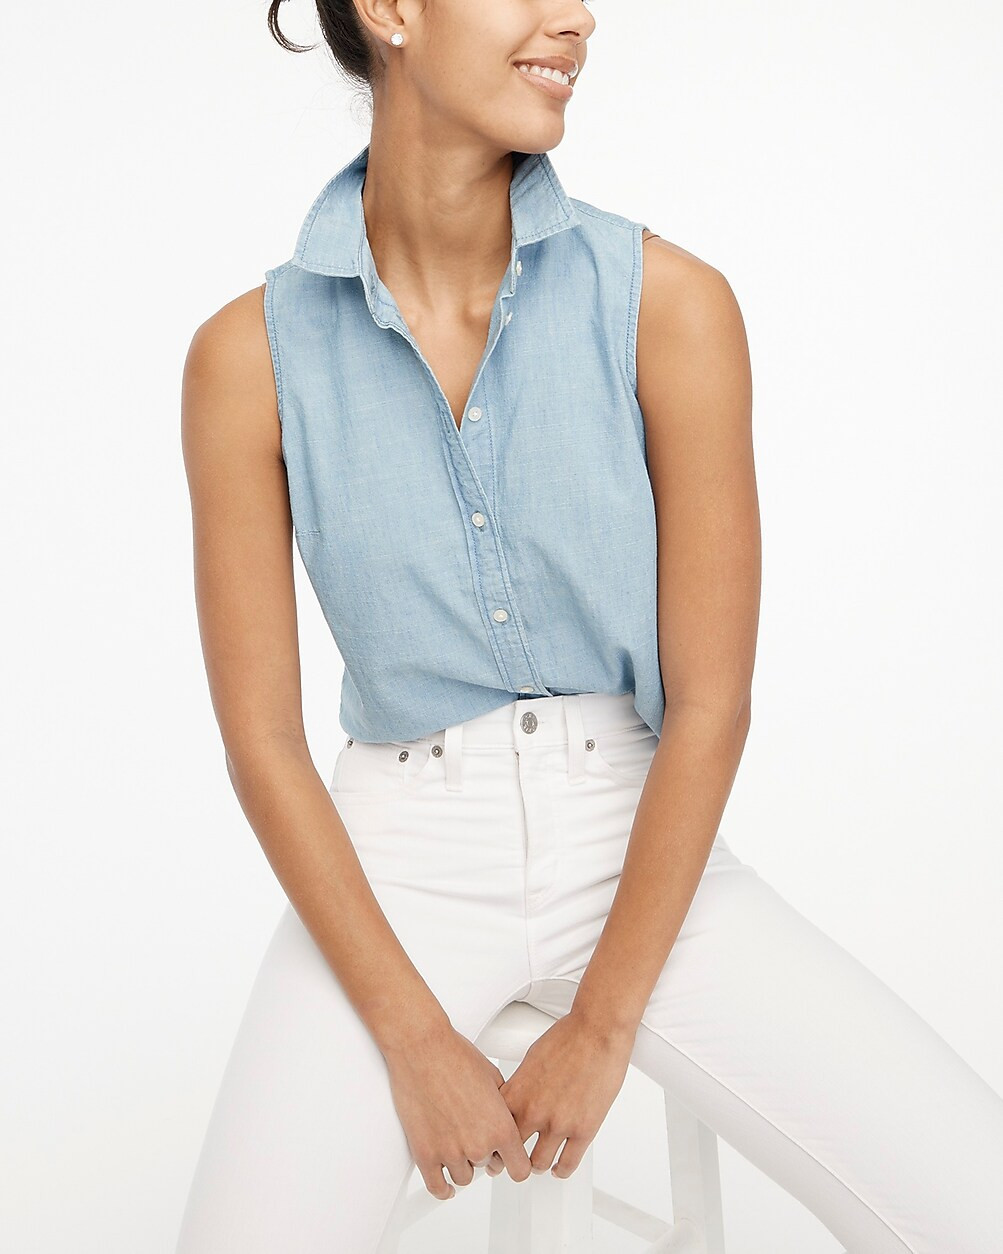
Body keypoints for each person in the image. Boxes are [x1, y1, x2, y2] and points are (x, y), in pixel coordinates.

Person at [175, 2, 1003, 1252]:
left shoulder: (668, 303)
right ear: (389, 10)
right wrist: (412, 1037)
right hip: (394, 860)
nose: (576, 19)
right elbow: (264, 744)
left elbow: (710, 703)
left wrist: (605, 1025)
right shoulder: (250, 357)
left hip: (642, 835)